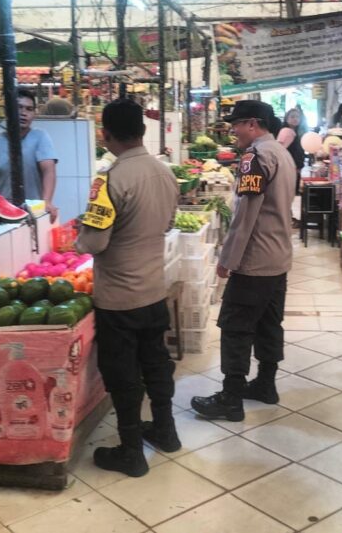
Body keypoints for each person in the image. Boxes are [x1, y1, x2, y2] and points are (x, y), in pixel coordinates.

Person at [75, 98, 181, 477]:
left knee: (122, 375)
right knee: (156, 364)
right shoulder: (165, 173)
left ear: (105, 134)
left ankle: (131, 452)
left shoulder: (109, 181)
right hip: (154, 290)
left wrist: (78, 237)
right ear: (142, 130)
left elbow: (94, 243)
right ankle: (166, 432)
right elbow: (168, 224)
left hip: (118, 298)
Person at [191, 100, 296, 422]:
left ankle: (231, 398)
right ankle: (265, 384)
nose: (233, 131)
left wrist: (227, 258)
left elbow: (245, 215)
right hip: (278, 257)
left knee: (235, 327)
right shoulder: (283, 153)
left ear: (252, 124)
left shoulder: (256, 157)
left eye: (236, 124)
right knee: (269, 323)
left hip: (255, 260)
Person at [0, 88, 58, 219]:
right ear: (7, 111)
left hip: (34, 213)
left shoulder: (40, 137)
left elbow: (48, 170)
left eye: (29, 109)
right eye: (19, 108)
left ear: (34, 114)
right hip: (2, 214)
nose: (23, 113)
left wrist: (47, 201)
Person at [277, 108, 307, 194]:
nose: (295, 119)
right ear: (286, 119)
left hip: (293, 166)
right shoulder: (287, 131)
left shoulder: (295, 131)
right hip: (289, 168)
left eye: (297, 117)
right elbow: (280, 149)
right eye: (292, 117)